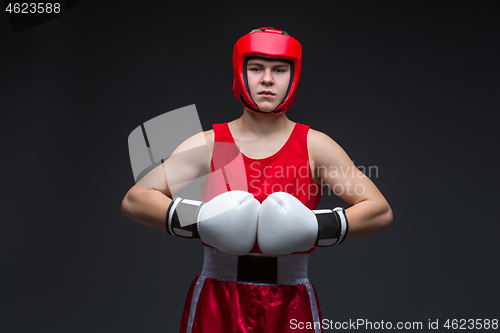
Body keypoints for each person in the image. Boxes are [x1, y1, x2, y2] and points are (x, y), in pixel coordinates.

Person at [121, 27, 393, 333]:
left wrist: (315, 227)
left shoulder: (314, 146)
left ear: (293, 76)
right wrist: (201, 219)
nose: (267, 79)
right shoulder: (210, 143)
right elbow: (136, 198)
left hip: (291, 299)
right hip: (217, 297)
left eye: (279, 70)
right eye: (256, 68)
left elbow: (379, 210)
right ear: (241, 73)